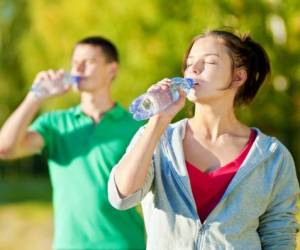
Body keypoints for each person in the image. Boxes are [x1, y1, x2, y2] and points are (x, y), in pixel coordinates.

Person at [108, 30, 300, 249]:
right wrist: (157, 122)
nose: (194, 69)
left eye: (209, 62)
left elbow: (279, 237)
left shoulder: (272, 157)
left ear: (238, 77)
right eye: (190, 64)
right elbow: (121, 197)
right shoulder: (157, 138)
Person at [0, 36, 146, 249]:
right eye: (75, 61)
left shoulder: (135, 127)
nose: (77, 67)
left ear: (111, 70)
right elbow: (5, 148)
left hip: (123, 243)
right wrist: (36, 96)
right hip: (69, 244)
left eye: (88, 61)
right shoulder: (54, 124)